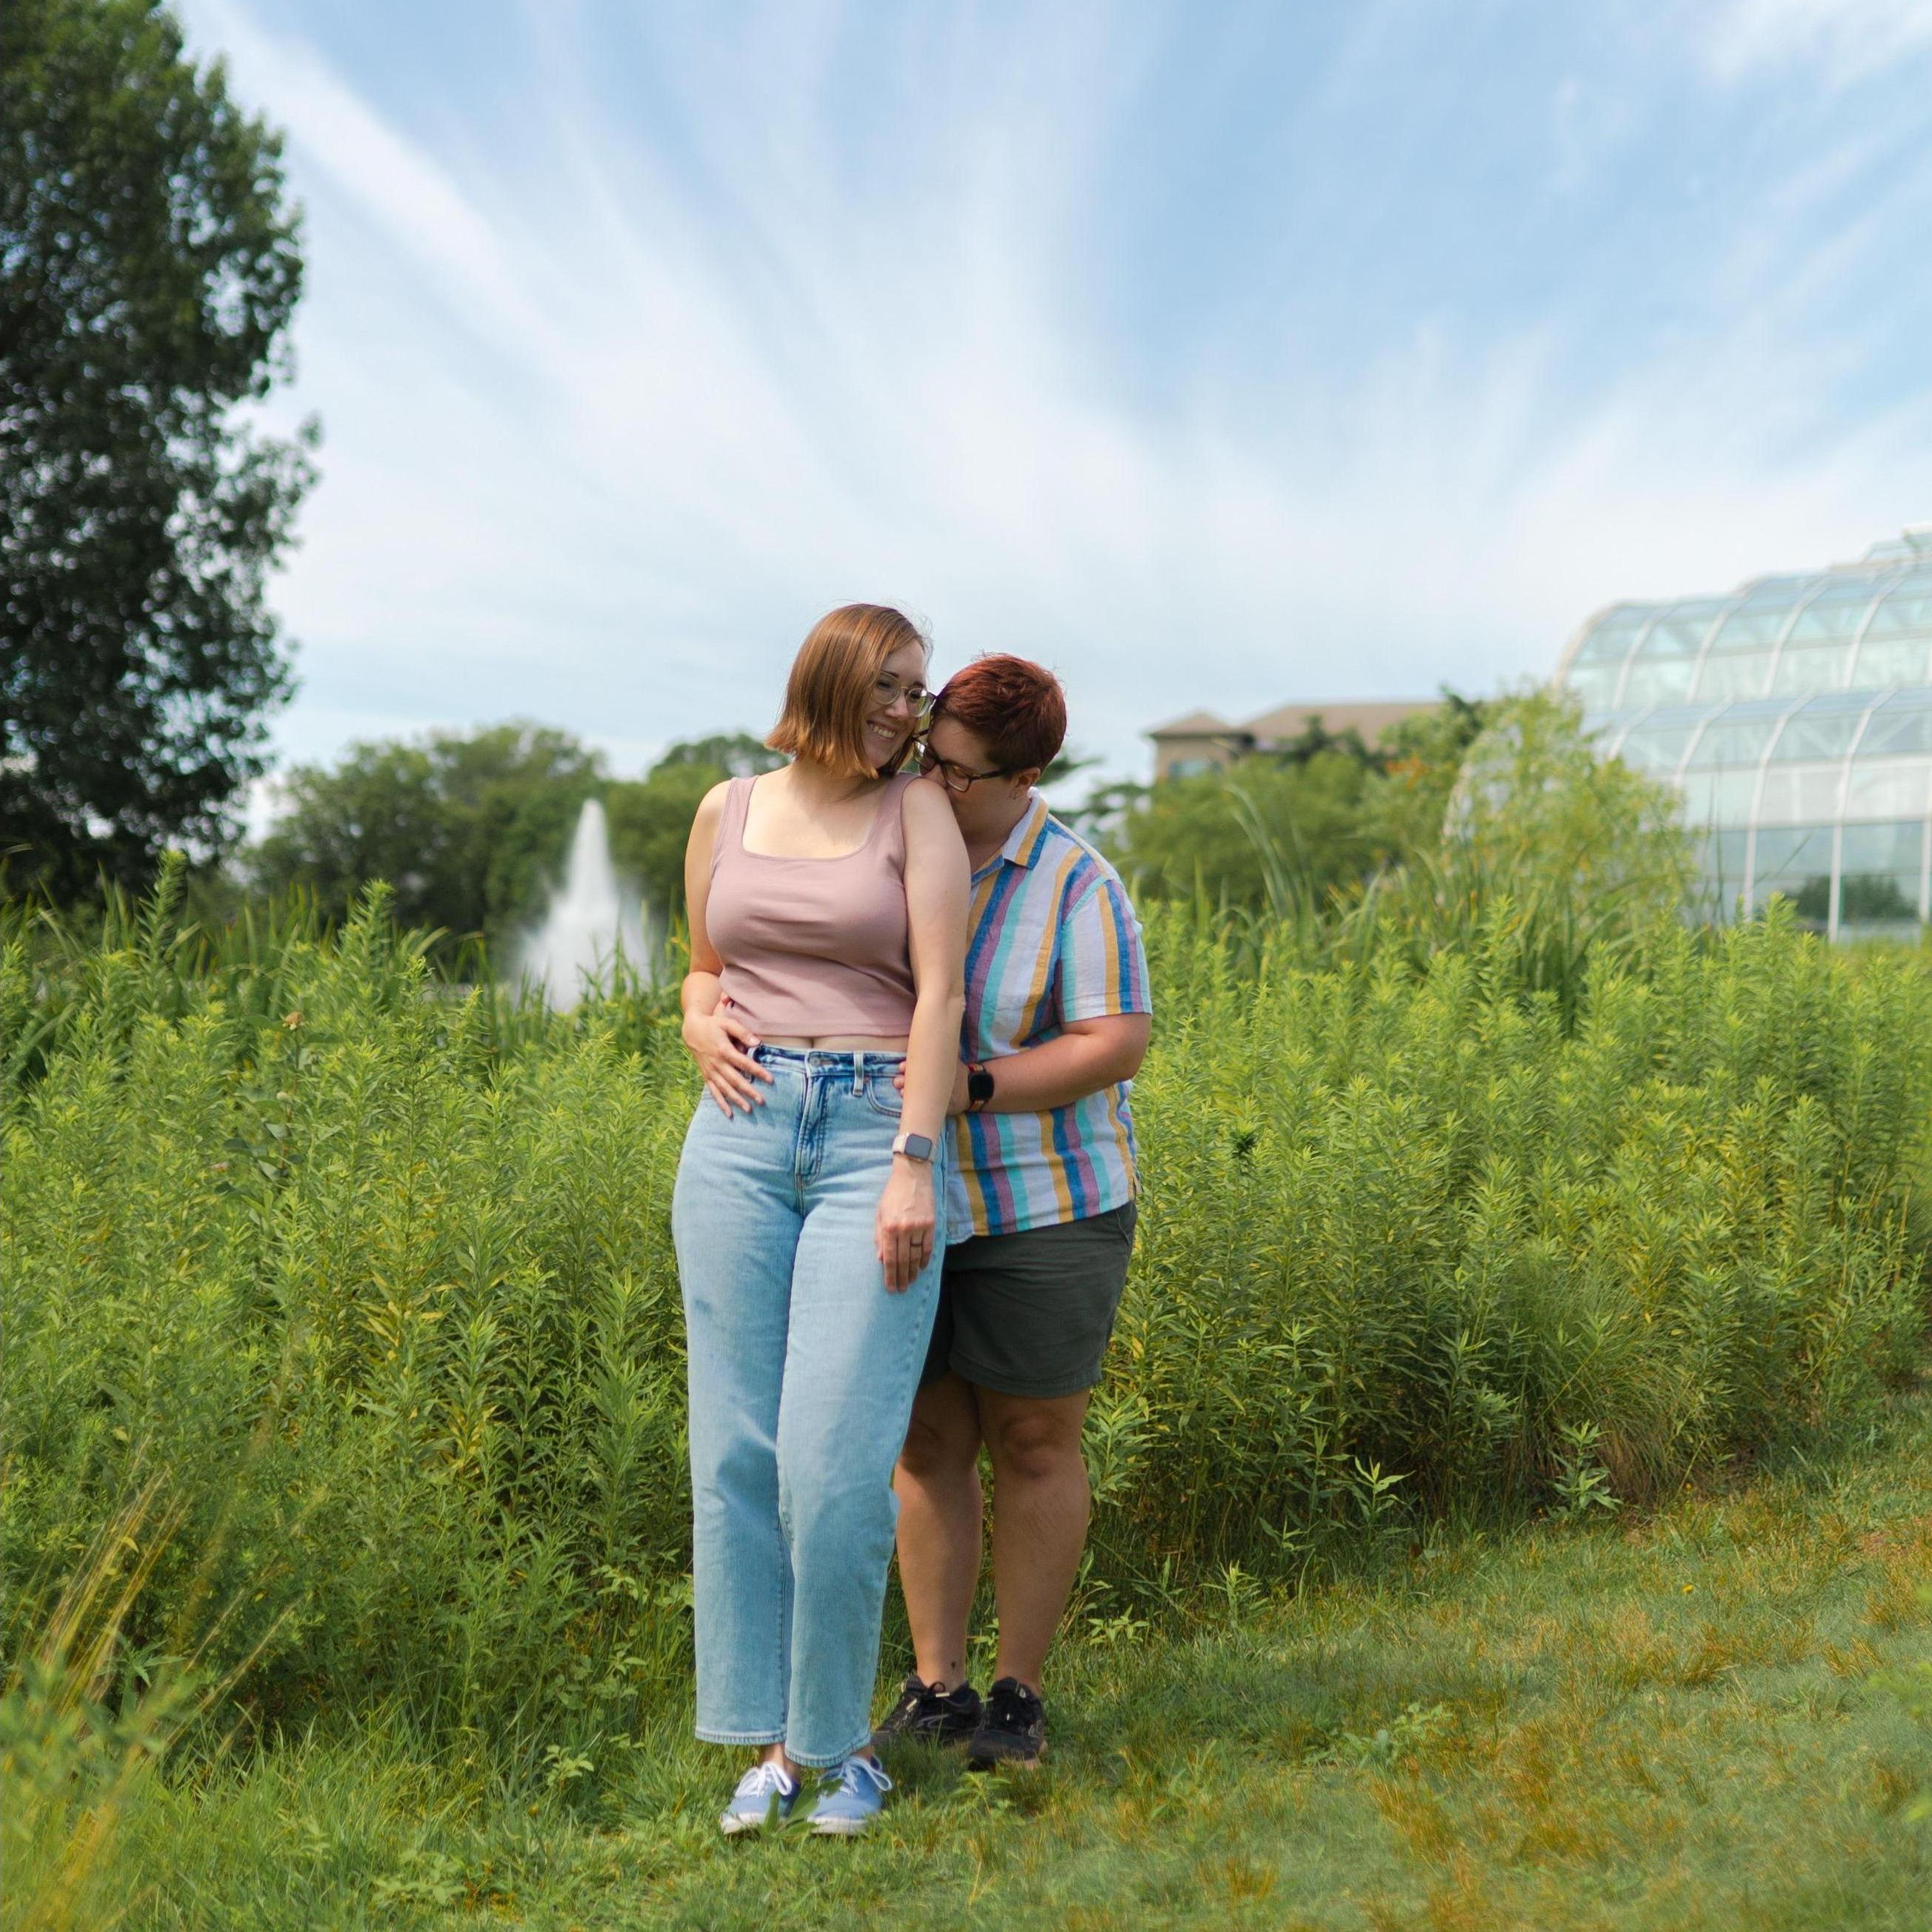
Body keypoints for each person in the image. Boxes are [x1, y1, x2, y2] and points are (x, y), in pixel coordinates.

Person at [672, 604, 969, 1836]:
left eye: (921, 689)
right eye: (893, 687)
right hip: (737, 1139)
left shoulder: (919, 814)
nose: (913, 710)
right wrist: (695, 1018)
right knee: (735, 1453)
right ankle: (767, 1749)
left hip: (869, 1136)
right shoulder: (724, 809)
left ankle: (838, 1746)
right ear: (833, 681)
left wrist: (914, 1162)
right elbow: (701, 961)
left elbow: (940, 993)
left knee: (834, 1461)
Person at [877, 654, 1152, 1769]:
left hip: (1048, 1201)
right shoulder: (890, 845)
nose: (930, 784)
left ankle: (1018, 1695)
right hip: (909, 1198)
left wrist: (971, 1085)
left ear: (1024, 775)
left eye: (957, 773)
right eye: (926, 757)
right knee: (926, 1438)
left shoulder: (1077, 883)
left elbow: (1114, 1041)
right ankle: (935, 1686)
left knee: (1035, 1442)